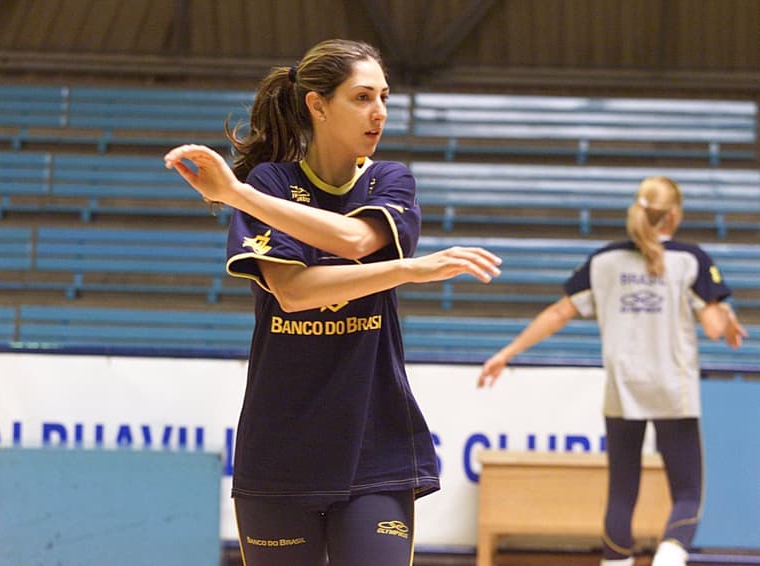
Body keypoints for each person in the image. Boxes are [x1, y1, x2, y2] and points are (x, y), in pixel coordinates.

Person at [164, 39, 502, 566]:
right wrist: (412, 270)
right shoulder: (270, 182)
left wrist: (236, 196)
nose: (380, 111)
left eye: (384, 96)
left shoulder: (389, 180)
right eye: (362, 96)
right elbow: (294, 293)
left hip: (377, 446)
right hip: (280, 450)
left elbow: (356, 240)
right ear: (317, 105)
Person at [477, 176, 747, 566]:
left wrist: (507, 352)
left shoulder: (605, 261)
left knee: (622, 492)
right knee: (687, 495)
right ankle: (669, 557)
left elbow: (558, 313)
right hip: (673, 390)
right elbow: (714, 328)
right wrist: (725, 311)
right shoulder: (692, 259)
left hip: (623, 389)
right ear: (674, 215)